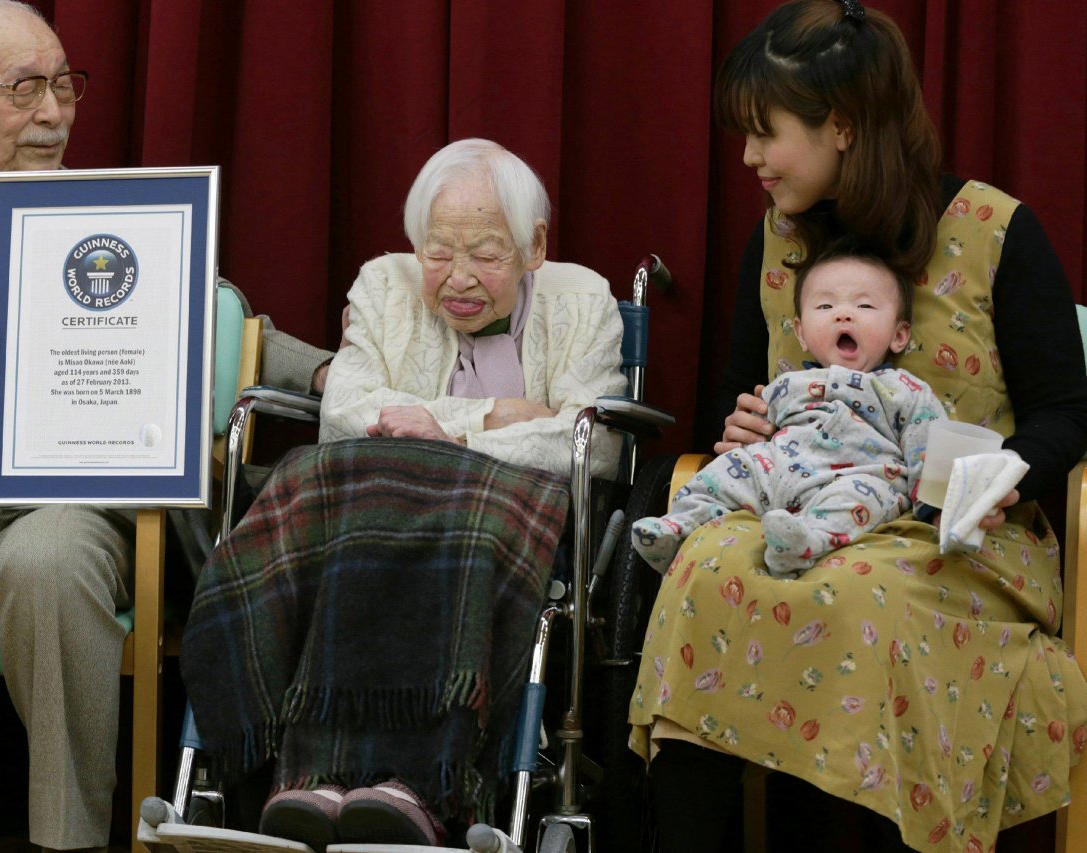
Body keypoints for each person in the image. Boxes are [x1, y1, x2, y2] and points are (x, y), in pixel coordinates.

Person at [0, 2, 329, 850]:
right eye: (23, 90)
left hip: (72, 486)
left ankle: (71, 837)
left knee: (49, 566)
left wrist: (334, 372)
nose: (54, 113)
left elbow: (223, 317)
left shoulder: (117, 215)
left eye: (64, 85)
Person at [628, 2, 1087, 851]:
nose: (749, 158)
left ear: (840, 126)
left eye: (765, 133)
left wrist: (1012, 467)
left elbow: (1068, 410)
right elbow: (733, 393)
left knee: (853, 595)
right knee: (700, 569)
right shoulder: (776, 242)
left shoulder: (996, 232)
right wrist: (740, 423)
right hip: (796, 506)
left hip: (954, 540)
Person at [181, 138, 626, 850]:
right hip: (370, 515)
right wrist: (494, 416)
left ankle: (414, 785)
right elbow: (343, 413)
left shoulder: (583, 300)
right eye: (437, 251)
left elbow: (594, 441)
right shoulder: (382, 285)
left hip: (500, 527)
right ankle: (312, 778)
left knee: (457, 525)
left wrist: (442, 437)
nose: (457, 277)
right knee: (341, 504)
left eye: (485, 253)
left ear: (534, 245)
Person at [633, 243, 946, 578]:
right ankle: (683, 524)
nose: (843, 314)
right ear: (801, 334)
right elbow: (753, 437)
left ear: (899, 335)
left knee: (857, 500)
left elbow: (927, 446)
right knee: (730, 469)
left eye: (864, 305)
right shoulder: (785, 384)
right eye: (825, 305)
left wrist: (937, 508)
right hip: (780, 470)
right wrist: (745, 453)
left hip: (860, 476)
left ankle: (804, 543)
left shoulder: (903, 389)